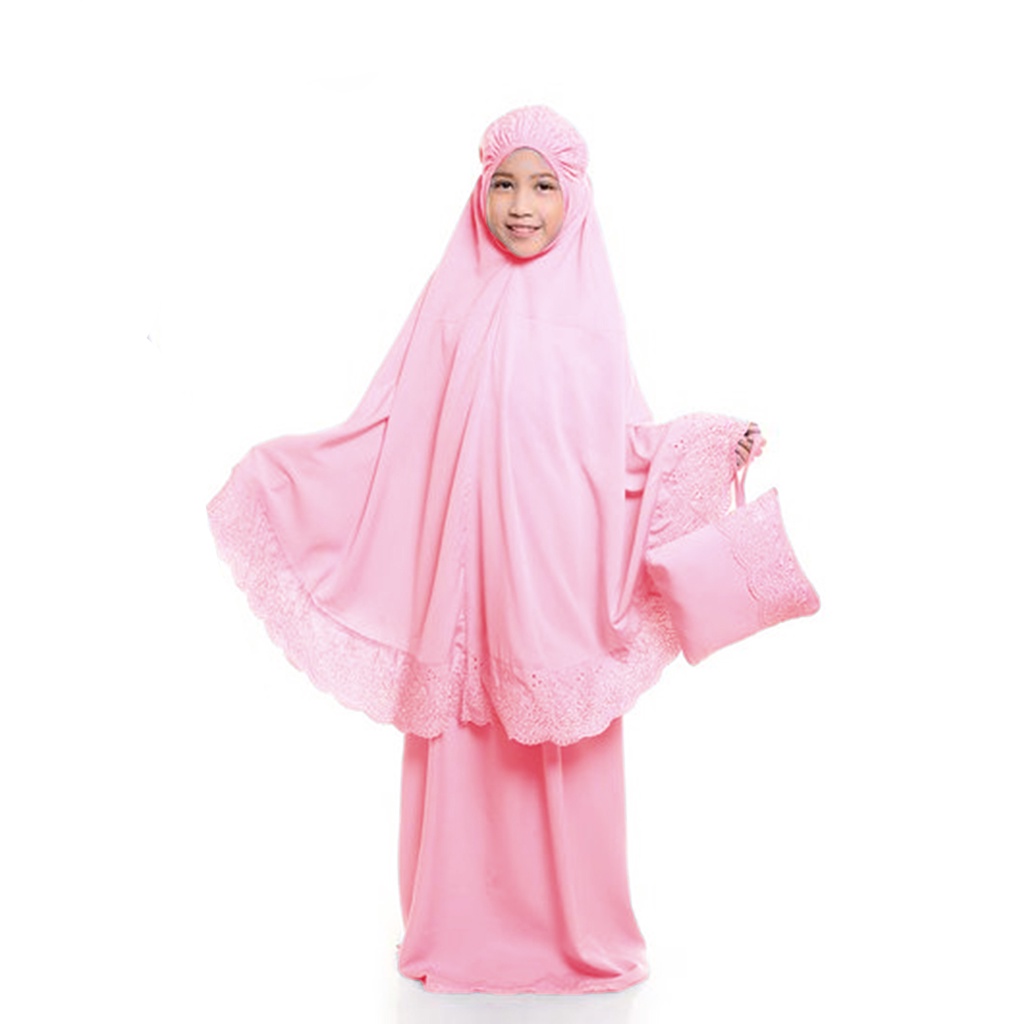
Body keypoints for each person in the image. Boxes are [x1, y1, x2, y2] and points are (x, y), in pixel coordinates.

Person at [208, 105, 763, 994]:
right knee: (465, 731)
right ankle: (457, 929)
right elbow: (392, 424)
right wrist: (292, 475)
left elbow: (626, 446)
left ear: (575, 196)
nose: (521, 205)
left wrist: (707, 444)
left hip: (558, 571)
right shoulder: (453, 299)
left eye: (543, 186)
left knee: (560, 736)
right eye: (504, 184)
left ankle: (575, 932)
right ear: (480, 191)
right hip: (462, 580)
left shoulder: (590, 313)